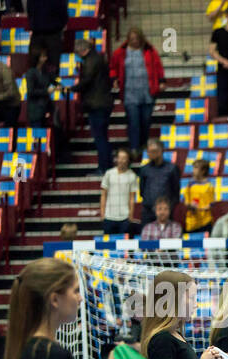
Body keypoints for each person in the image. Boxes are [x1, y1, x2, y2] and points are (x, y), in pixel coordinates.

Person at [76, 38, 114, 173]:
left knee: (100, 137)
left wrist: (72, 88)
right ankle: (107, 165)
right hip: (104, 102)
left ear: (82, 50)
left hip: (96, 104)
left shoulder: (91, 61)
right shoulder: (98, 58)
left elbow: (87, 81)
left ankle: (104, 167)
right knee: (103, 136)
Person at [137, 139, 181, 231]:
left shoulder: (172, 169)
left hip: (166, 212)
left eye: (153, 152)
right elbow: (142, 190)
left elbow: (176, 191)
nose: (149, 154)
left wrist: (166, 208)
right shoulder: (144, 169)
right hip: (148, 211)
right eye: (148, 152)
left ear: (161, 151)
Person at [100, 148, 139, 236]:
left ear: (128, 160)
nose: (121, 160)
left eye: (124, 158)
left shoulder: (132, 176)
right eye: (120, 158)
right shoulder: (108, 173)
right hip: (108, 216)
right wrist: (102, 213)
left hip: (124, 217)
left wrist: (131, 215)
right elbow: (103, 195)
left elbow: (132, 198)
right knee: (108, 246)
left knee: (124, 246)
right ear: (116, 159)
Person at [24, 49, 57, 128]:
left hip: (45, 108)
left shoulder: (45, 71)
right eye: (43, 57)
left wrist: (57, 85)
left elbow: (52, 81)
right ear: (37, 58)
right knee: (37, 134)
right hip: (35, 111)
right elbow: (31, 92)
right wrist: (46, 91)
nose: (45, 58)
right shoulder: (31, 72)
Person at [184, 159, 216, 234]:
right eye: (193, 168)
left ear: (203, 170)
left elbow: (212, 204)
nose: (193, 170)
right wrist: (190, 205)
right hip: (191, 222)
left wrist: (201, 208)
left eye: (196, 168)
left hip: (205, 221)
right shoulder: (190, 185)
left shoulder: (209, 186)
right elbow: (186, 201)